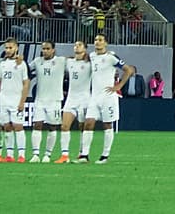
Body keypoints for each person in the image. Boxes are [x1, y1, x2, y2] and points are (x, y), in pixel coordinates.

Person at [82, 34, 134, 164]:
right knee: (88, 123)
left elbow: (128, 70)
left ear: (105, 43)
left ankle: (104, 156)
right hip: (94, 96)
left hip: (108, 97)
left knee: (107, 125)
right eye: (95, 40)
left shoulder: (111, 57)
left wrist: (119, 86)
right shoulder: (92, 56)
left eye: (100, 40)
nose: (97, 42)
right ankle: (84, 155)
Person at [0, 38, 29, 163]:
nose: (8, 50)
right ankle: (9, 155)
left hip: (16, 100)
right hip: (4, 100)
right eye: (6, 48)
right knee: (7, 127)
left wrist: (22, 101)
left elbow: (26, 83)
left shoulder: (21, 64)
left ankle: (21, 155)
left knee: (18, 127)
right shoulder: (2, 64)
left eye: (10, 48)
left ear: (16, 48)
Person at [29, 40, 65, 162]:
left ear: (53, 49)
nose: (45, 51)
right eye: (43, 49)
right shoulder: (37, 62)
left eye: (47, 49)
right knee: (37, 125)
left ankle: (47, 155)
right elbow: (26, 69)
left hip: (55, 100)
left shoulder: (61, 61)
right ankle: (35, 154)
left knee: (52, 127)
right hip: (40, 99)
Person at [57, 41, 92, 163]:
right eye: (75, 45)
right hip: (71, 99)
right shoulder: (69, 62)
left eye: (80, 45)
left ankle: (83, 153)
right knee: (64, 126)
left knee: (83, 128)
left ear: (85, 48)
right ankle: (64, 155)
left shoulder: (90, 63)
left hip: (84, 99)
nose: (76, 47)